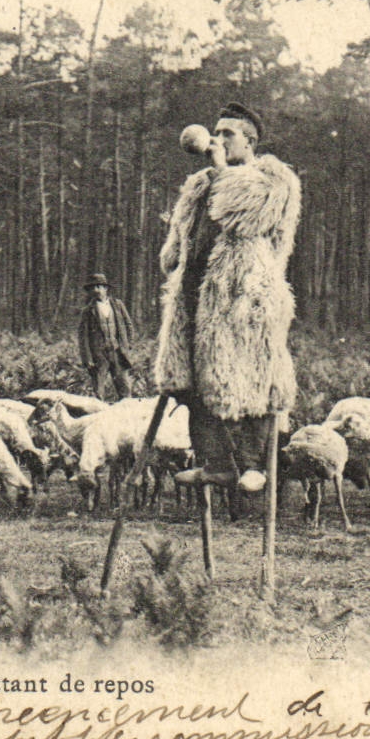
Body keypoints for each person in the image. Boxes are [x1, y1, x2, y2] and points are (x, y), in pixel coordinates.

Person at [152, 102, 301, 493]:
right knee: (196, 383)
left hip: (245, 297)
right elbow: (181, 233)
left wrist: (221, 169)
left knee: (250, 378)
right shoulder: (201, 182)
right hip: (199, 292)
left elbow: (245, 212)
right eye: (214, 133)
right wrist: (175, 251)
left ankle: (254, 464)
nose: (216, 140)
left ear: (249, 141)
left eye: (226, 134)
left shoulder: (273, 178)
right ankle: (214, 463)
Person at [77, 273, 135, 401]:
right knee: (98, 392)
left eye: (99, 286)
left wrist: (128, 344)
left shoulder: (118, 305)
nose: (96, 290)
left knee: (125, 389)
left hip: (118, 353)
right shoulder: (87, 311)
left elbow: (128, 325)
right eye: (93, 288)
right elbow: (83, 337)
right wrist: (87, 359)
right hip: (99, 356)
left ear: (106, 288)